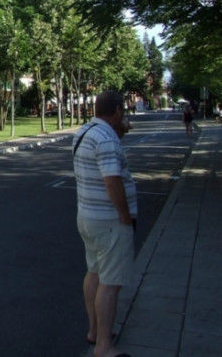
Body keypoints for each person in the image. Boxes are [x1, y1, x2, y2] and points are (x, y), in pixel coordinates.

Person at [73, 90, 136, 357]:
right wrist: (125, 216)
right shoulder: (107, 139)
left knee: (94, 273)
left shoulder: (85, 132)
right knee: (110, 283)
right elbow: (111, 180)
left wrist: (118, 133)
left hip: (87, 216)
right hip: (109, 220)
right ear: (118, 110)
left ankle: (95, 331)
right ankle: (103, 347)